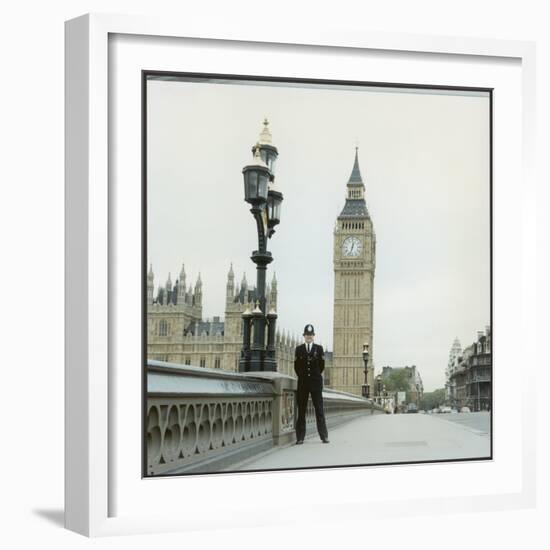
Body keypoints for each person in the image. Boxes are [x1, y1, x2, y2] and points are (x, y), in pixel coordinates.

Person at [294, 324, 329, 444]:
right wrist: (303, 376)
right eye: (307, 335)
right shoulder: (298, 349)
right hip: (303, 384)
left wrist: (315, 376)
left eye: (310, 335)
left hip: (316, 383)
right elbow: (296, 367)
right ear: (304, 336)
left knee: (319, 409)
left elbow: (322, 366)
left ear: (313, 336)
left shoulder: (319, 349)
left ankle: (324, 436)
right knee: (301, 411)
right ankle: (300, 437)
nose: (309, 337)